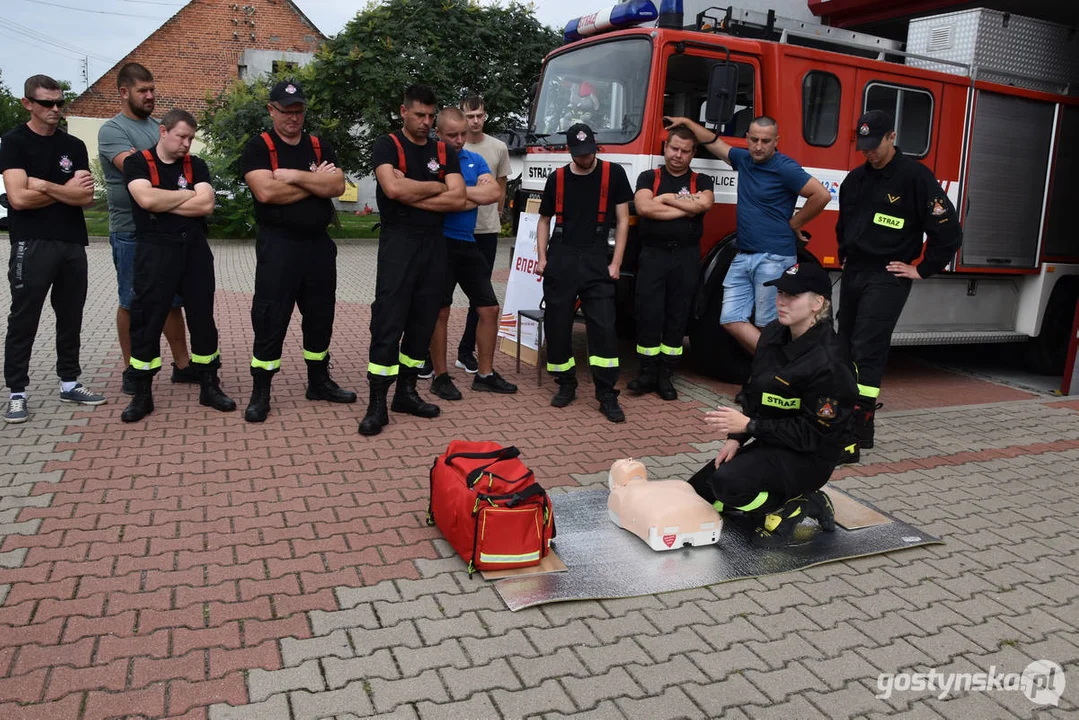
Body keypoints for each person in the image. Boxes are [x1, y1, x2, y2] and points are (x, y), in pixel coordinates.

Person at [687, 262, 857, 545]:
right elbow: (754, 392)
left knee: (728, 486)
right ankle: (765, 497)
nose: (781, 301)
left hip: (810, 456)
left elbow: (815, 434)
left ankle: (801, 502)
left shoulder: (831, 362)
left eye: (792, 296)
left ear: (818, 303)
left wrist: (751, 426)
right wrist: (736, 438)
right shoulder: (773, 334)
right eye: (780, 293)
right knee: (699, 490)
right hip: (772, 440)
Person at [837, 110, 962, 457]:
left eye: (874, 145)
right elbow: (845, 223)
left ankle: (857, 427)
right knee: (844, 346)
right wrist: (844, 253)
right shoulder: (855, 179)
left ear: (891, 137)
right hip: (855, 272)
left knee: (867, 347)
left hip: (888, 275)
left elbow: (948, 231)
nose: (869, 152)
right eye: (863, 146)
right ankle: (846, 421)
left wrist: (922, 269)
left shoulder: (915, 178)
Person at [239, 79, 355, 423]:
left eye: (299, 111)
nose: (294, 118)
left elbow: (337, 185)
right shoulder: (258, 147)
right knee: (270, 317)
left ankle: (318, 382)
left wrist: (291, 176)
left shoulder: (321, 146)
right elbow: (267, 194)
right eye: (287, 111)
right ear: (271, 110)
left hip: (318, 246)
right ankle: (261, 391)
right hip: (279, 245)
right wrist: (314, 183)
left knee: (320, 317)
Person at [665, 115, 831, 354]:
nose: (759, 146)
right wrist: (688, 123)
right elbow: (714, 142)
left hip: (774, 256)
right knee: (731, 319)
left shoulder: (785, 168)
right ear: (747, 139)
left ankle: (772, 376)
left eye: (765, 140)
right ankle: (774, 367)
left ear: (776, 141)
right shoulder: (744, 159)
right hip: (744, 255)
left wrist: (795, 223)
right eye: (754, 139)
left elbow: (821, 195)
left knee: (768, 326)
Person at [359, 84, 466, 436]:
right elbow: (391, 190)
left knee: (423, 320)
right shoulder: (387, 144)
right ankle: (377, 402)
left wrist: (415, 191)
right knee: (389, 319)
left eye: (430, 116)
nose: (425, 122)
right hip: (399, 241)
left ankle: (406, 392)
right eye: (419, 114)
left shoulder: (443, 149)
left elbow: (458, 198)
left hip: (433, 243)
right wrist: (436, 187)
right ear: (403, 112)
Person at [1, 74, 106, 423]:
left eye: (60, 103)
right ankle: (17, 392)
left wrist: (44, 185)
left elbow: (87, 197)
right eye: (47, 103)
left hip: (72, 243)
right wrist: (65, 191)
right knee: (24, 317)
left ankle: (69, 382)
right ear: (28, 103)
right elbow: (17, 198)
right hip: (31, 244)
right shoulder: (13, 143)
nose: (56, 109)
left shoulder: (74, 145)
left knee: (71, 315)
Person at [119, 109, 236, 422]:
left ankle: (209, 385)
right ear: (163, 131)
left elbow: (206, 204)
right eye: (181, 136)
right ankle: (142, 396)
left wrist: (166, 199)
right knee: (146, 321)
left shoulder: (196, 165)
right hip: (154, 252)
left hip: (194, 251)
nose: (187, 143)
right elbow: (146, 201)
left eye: (191, 138)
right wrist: (186, 196)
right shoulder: (137, 163)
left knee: (202, 319)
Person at [98, 62, 193, 393]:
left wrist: (167, 185)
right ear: (124, 92)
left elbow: (176, 169)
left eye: (153, 89)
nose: (151, 96)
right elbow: (140, 171)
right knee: (132, 300)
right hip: (129, 230)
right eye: (143, 91)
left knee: (172, 299)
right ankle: (131, 369)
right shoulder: (113, 130)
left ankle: (183, 365)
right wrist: (177, 187)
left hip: (166, 228)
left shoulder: (160, 128)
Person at [536, 123, 632, 423]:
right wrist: (542, 259)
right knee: (557, 326)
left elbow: (623, 220)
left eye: (589, 152)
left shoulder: (613, 174)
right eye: (579, 154)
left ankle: (606, 394)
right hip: (562, 256)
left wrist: (615, 263)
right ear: (570, 151)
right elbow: (543, 220)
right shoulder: (558, 178)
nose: (585, 158)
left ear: (595, 147)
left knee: (603, 328)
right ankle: (566, 384)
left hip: (596, 257)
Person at [427, 108, 518, 400]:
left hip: (468, 242)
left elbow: (493, 195)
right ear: (438, 133)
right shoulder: (429, 161)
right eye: (452, 134)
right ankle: (440, 377)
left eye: (463, 134)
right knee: (440, 311)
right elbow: (426, 198)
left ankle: (485, 374)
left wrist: (452, 196)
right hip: (439, 243)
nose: (459, 140)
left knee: (489, 309)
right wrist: (468, 195)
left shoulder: (474, 159)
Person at [629, 125, 715, 400]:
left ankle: (666, 375)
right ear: (665, 148)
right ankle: (647, 373)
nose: (678, 155)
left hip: (685, 257)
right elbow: (644, 208)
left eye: (685, 151)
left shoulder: (702, 180)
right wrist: (684, 208)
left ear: (693, 153)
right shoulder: (648, 176)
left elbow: (703, 205)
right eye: (674, 148)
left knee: (677, 315)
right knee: (649, 313)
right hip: (653, 255)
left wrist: (665, 199)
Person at [455, 94, 512, 374]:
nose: (475, 121)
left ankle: (466, 352)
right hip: (452, 232)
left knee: (481, 297)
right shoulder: (453, 145)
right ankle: (427, 356)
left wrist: (496, 215)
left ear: (485, 115)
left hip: (486, 231)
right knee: (438, 295)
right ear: (462, 116)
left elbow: (500, 188)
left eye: (479, 115)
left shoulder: (499, 148)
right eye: (470, 115)